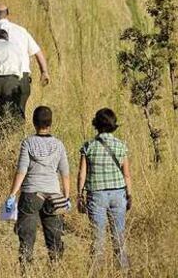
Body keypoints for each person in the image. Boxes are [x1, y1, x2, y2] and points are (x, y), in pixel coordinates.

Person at [5, 106, 70, 274]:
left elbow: (21, 171)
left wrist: (12, 195)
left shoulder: (28, 143)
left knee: (26, 237)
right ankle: (55, 270)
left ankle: (26, 271)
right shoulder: (59, 145)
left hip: (31, 194)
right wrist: (66, 197)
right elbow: (65, 173)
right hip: (54, 195)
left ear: (34, 122)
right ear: (50, 123)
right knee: (54, 237)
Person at [77, 108, 132, 273]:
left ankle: (94, 273)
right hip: (119, 194)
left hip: (96, 195)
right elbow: (127, 174)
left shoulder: (89, 146)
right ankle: (122, 272)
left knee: (97, 239)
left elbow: (82, 174)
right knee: (119, 238)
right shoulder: (121, 146)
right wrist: (129, 194)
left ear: (96, 125)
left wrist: (79, 195)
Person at [0, 4, 50, 117]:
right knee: (18, 113)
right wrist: (44, 71)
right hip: (21, 77)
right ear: (7, 14)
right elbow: (37, 52)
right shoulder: (21, 31)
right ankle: (17, 133)